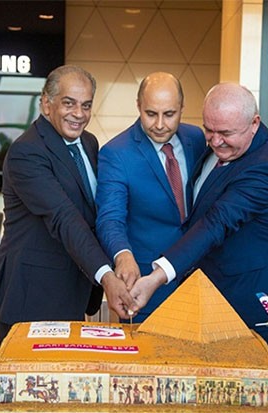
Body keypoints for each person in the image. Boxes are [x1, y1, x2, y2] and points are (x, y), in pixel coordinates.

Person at [130, 83, 268, 351]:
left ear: (254, 123)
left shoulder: (267, 166)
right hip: (220, 290)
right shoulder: (225, 145)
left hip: (258, 300)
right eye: (208, 130)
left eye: (225, 133)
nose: (214, 141)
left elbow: (217, 221)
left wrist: (157, 277)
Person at [0, 65, 137, 342]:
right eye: (69, 103)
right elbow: (64, 217)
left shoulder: (89, 143)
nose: (79, 114)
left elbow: (95, 214)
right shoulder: (26, 151)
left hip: (73, 292)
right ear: (46, 104)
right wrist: (106, 276)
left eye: (86, 105)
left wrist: (121, 255)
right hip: (32, 297)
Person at [96, 72, 206, 322]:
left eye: (169, 114)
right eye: (150, 114)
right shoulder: (116, 153)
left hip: (199, 282)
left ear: (182, 107)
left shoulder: (196, 139)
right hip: (146, 287)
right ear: (138, 106)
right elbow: (110, 218)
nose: (159, 124)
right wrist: (122, 254)